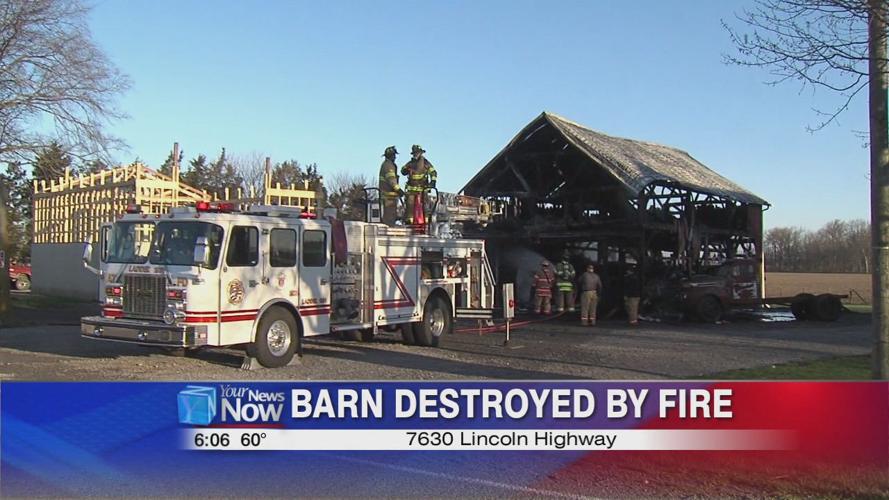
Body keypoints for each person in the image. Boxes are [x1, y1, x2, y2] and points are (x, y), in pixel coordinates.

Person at [401, 144, 437, 224]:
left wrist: (433, 181)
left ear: (420, 153)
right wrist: (405, 170)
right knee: (410, 204)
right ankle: (409, 221)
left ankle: (426, 221)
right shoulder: (410, 163)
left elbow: (433, 172)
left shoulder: (425, 163)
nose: (415, 155)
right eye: (414, 153)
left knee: (425, 205)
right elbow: (403, 170)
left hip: (423, 188)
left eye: (417, 153)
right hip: (411, 188)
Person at [377, 146, 402, 225]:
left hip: (388, 196)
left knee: (390, 215)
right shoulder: (388, 165)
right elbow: (391, 180)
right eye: (394, 155)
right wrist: (398, 190)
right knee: (389, 217)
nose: (395, 157)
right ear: (391, 156)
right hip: (388, 197)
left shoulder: (386, 164)